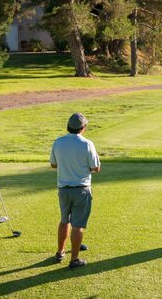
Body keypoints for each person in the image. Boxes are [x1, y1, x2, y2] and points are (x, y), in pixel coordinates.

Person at [50, 113, 100, 269]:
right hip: (81, 189)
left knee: (65, 220)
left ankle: (60, 252)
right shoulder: (87, 144)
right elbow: (95, 168)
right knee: (78, 225)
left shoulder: (58, 142)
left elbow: (53, 164)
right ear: (83, 127)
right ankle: (74, 259)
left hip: (63, 189)